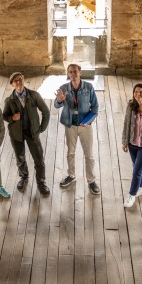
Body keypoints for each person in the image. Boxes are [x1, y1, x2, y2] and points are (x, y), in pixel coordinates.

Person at [54, 63, 100, 195]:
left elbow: (95, 108)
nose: (73, 74)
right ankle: (71, 175)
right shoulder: (63, 88)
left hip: (85, 125)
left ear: (80, 72)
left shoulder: (88, 87)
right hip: (70, 125)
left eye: (75, 71)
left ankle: (91, 181)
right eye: (70, 72)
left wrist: (87, 122)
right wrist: (59, 100)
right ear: (68, 74)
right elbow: (56, 105)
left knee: (89, 155)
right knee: (71, 153)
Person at [3, 72, 51, 195]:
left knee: (39, 159)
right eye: (15, 81)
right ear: (12, 85)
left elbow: (46, 111)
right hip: (16, 134)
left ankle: (41, 183)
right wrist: (12, 118)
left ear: (23, 80)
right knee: (20, 158)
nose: (18, 82)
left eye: (20, 79)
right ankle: (24, 178)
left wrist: (41, 128)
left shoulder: (34, 96)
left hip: (32, 133)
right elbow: (5, 115)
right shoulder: (9, 100)